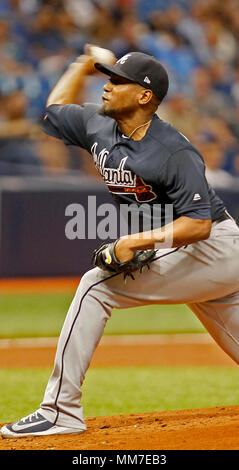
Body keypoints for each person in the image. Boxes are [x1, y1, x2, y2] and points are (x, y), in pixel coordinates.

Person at [2, 45, 239, 438]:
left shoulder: (174, 150)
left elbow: (199, 224)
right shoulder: (97, 123)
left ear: (145, 96)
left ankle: (60, 410)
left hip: (215, 247)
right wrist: (80, 65)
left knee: (95, 286)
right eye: (107, 78)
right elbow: (53, 108)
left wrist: (136, 241)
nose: (107, 87)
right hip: (192, 251)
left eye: (117, 81)